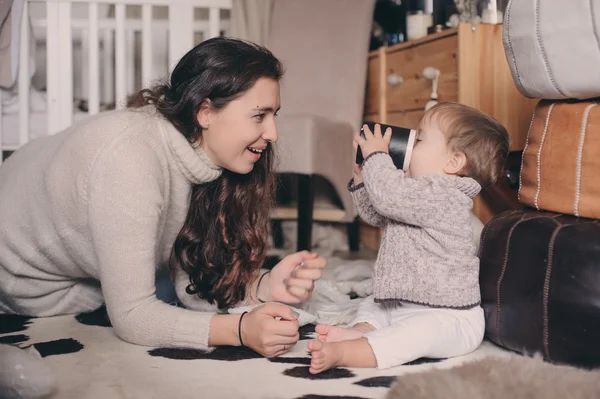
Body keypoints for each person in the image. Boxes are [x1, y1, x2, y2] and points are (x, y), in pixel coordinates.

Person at [0, 37, 326, 358]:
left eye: (274, 116)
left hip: (60, 250)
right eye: (259, 115)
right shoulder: (130, 160)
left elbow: (193, 277)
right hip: (23, 280)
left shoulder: (199, 155)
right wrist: (239, 330)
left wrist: (266, 287)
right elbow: (132, 317)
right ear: (205, 112)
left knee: (166, 284)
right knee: (156, 292)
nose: (273, 134)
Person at [307, 102, 510, 373]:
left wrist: (376, 158)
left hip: (448, 317)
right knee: (376, 303)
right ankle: (363, 329)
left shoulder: (447, 197)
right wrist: (363, 181)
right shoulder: (414, 192)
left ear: (453, 162)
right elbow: (377, 214)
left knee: (416, 334)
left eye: (420, 138)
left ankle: (350, 352)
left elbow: (389, 197)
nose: (411, 144)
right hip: (404, 302)